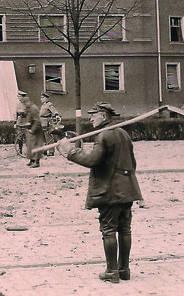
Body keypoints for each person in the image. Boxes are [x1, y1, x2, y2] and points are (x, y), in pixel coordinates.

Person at [57, 102, 142, 283]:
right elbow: (132, 163)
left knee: (108, 230)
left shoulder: (104, 135)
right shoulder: (123, 134)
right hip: (127, 189)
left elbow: (92, 160)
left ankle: (112, 272)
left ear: (103, 116)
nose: (91, 118)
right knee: (125, 229)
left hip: (110, 191)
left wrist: (70, 151)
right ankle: (124, 270)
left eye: (93, 115)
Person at [22, 94, 43, 168]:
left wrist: (32, 130)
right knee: (30, 146)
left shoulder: (33, 108)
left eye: (24, 103)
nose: (24, 105)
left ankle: (37, 162)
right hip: (31, 129)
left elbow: (37, 121)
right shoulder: (29, 108)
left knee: (36, 146)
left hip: (36, 130)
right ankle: (31, 160)